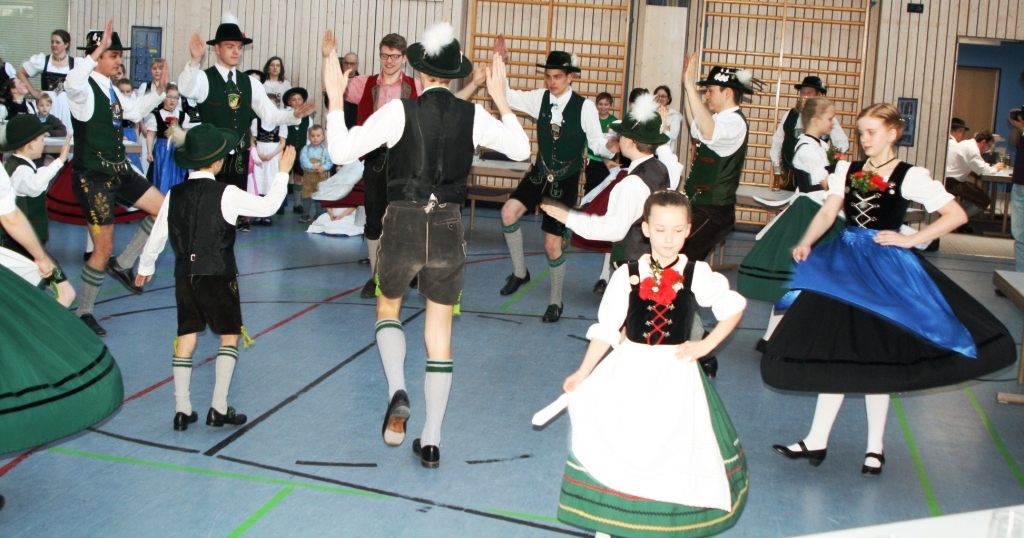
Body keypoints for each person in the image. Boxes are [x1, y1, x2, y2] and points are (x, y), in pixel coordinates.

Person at [763, 103, 1015, 475]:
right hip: (846, 266)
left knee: (876, 355)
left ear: (893, 134)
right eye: (861, 132)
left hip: (884, 270)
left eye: (871, 132)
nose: (864, 139)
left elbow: (956, 214)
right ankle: (817, 439)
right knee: (839, 351)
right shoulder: (847, 170)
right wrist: (807, 241)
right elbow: (830, 211)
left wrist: (910, 240)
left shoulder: (910, 176)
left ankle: (875, 447)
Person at [323, 23, 530, 468]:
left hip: (403, 219)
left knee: (388, 308)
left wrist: (335, 99)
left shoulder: (399, 110)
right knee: (440, 333)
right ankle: (432, 439)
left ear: (419, 70)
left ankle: (397, 388)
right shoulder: (472, 115)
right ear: (455, 75)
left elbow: (339, 152)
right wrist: (500, 98)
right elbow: (520, 151)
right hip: (449, 224)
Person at [554, 190, 748, 537]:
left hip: (675, 374)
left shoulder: (696, 273)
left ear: (688, 230)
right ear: (645, 229)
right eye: (660, 229)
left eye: (677, 230)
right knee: (621, 442)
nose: (668, 238)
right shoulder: (627, 274)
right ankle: (607, 526)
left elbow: (732, 307)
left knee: (668, 448)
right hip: (630, 369)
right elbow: (607, 328)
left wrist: (705, 345)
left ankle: (662, 523)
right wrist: (583, 372)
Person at [136, 125, 296, 431]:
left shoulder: (174, 194)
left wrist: (145, 266)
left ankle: (182, 410)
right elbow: (268, 206)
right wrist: (282, 173)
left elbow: (159, 232)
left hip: (185, 274)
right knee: (229, 336)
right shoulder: (227, 193)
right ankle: (218, 408)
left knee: (186, 336)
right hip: (219, 273)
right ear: (218, 161)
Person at [494, 48, 616, 322]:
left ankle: (555, 301)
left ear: (570, 77)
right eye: (548, 76)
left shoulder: (584, 107)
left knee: (552, 245)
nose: (552, 82)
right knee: (508, 213)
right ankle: (520, 272)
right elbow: (506, 95)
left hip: (566, 178)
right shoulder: (540, 98)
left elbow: (596, 142)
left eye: (557, 76)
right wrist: (499, 62)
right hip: (540, 172)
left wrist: (609, 147)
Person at [66, 21, 169, 337]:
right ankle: (84, 311)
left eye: (118, 55)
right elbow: (71, 82)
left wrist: (159, 92)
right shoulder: (82, 90)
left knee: (164, 209)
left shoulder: (111, 90)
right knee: (102, 247)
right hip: (92, 177)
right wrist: (94, 51)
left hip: (118, 169)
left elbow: (134, 111)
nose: (118, 60)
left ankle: (123, 263)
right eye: (112, 55)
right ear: (96, 57)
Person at [738, 97, 845, 350]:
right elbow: (827, 184)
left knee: (806, 282)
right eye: (830, 118)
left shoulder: (817, 145)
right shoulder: (807, 148)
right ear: (815, 120)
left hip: (818, 208)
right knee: (795, 281)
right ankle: (773, 338)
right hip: (810, 212)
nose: (834, 123)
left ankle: (776, 338)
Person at [177, 13, 314, 196]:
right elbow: (185, 89)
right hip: (211, 157)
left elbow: (270, 115)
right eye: (230, 46)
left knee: (235, 203)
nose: (236, 52)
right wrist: (195, 60)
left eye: (239, 47)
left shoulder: (250, 83)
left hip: (240, 156)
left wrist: (294, 115)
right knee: (210, 203)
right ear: (217, 48)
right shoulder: (203, 78)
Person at [344, 33, 425, 298]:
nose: (389, 61)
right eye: (384, 55)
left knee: (408, 219)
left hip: (406, 160)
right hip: (376, 159)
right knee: (374, 220)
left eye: (394, 56)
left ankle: (409, 270)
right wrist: (327, 60)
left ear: (404, 58)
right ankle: (377, 277)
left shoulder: (416, 86)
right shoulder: (363, 84)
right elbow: (333, 89)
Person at [679, 55, 753, 263]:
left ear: (727, 92)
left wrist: (691, 87)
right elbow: (696, 125)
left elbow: (708, 132)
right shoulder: (718, 119)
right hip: (701, 204)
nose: (707, 96)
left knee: (679, 254)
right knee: (683, 258)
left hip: (714, 209)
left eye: (710, 91)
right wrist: (687, 87)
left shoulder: (735, 123)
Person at [0, 114, 75, 306]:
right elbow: (33, 185)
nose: (44, 144)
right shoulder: (19, 170)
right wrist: (60, 161)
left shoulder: (17, 166)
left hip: (24, 248)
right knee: (66, 294)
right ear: (30, 144)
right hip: (23, 249)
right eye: (42, 139)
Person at [769, 75, 849, 185]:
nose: (805, 96)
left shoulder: (826, 118)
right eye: (802, 92)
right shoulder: (789, 115)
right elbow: (777, 142)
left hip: (814, 180)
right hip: (789, 178)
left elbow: (842, 143)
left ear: (819, 95)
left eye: (809, 93)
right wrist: (777, 169)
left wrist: (830, 161)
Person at [17, 29, 77, 132]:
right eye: (52, 42)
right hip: (47, 104)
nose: (54, 45)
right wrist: (33, 91)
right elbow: (20, 73)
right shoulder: (43, 61)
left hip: (66, 105)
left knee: (65, 132)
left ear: (66, 44)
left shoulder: (74, 63)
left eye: (57, 42)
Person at [945, 130, 1004, 220]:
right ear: (983, 142)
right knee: (984, 200)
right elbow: (983, 170)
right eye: (989, 146)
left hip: (951, 179)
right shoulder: (972, 150)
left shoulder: (966, 143)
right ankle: (956, 219)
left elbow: (978, 165)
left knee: (977, 193)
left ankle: (957, 216)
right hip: (953, 182)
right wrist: (996, 168)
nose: (987, 149)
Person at [145, 84, 193, 194]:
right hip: (162, 150)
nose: (172, 100)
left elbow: (186, 135)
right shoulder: (156, 115)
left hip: (177, 150)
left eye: (175, 98)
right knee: (162, 174)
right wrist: (149, 152)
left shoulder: (183, 115)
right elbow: (150, 135)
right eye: (169, 96)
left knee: (177, 175)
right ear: (164, 98)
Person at [248, 94, 287, 227]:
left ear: (277, 105)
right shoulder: (257, 120)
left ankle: (267, 214)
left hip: (274, 153)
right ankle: (258, 214)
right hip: (259, 152)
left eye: (273, 104)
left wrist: (271, 154)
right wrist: (258, 153)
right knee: (258, 183)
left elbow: (282, 143)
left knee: (270, 183)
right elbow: (252, 140)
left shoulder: (280, 121)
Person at [283, 87, 311, 218]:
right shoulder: (285, 116)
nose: (297, 102)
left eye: (299, 99)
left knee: (299, 177)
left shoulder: (307, 117)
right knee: (284, 176)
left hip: (301, 150)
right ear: (289, 102)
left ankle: (297, 204)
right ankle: (280, 205)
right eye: (293, 99)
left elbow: (309, 134)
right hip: (287, 150)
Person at [299, 124, 333, 222]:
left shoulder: (325, 150)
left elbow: (329, 162)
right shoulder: (305, 149)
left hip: (320, 177)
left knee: (319, 195)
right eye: (312, 136)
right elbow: (303, 160)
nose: (315, 138)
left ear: (323, 137)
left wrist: (323, 167)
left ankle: (319, 214)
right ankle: (306, 213)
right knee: (306, 194)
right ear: (309, 137)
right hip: (308, 176)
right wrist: (311, 166)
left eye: (318, 136)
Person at [1010, 110, 1024, 273]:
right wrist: (1016, 126)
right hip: (1020, 183)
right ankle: (1020, 277)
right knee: (1019, 235)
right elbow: (1014, 142)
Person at [653, 84, 684, 151]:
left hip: (666, 151)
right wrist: (666, 128)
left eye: (663, 96)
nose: (660, 98)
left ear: (668, 98)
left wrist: (662, 128)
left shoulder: (674, 115)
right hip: (650, 151)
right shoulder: (650, 113)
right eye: (658, 96)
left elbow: (673, 136)